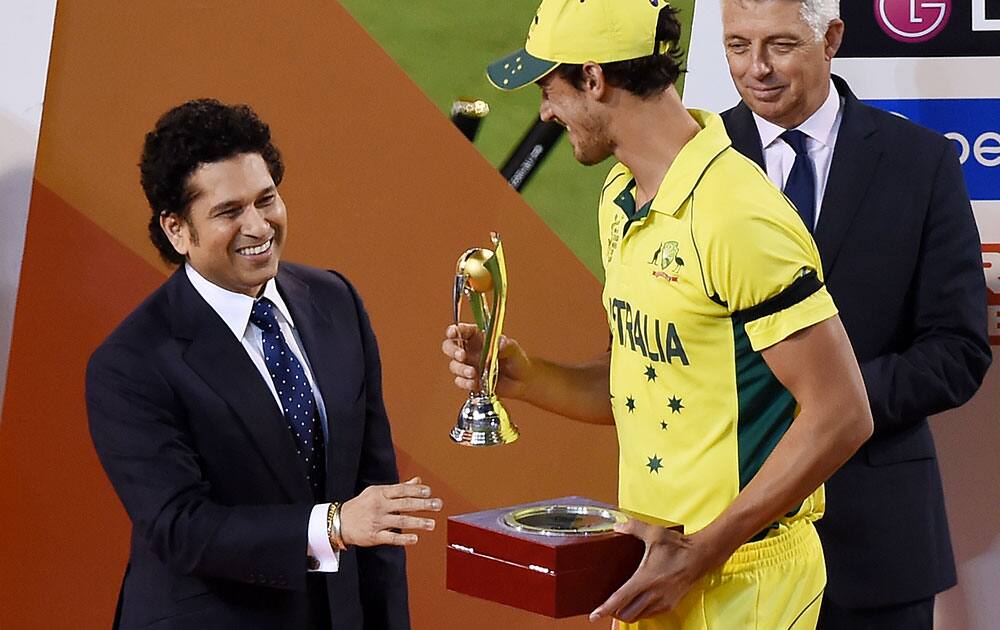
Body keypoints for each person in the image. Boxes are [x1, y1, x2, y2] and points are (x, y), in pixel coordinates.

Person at [443, 1, 872, 628]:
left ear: (593, 79)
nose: (544, 112)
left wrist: (701, 553)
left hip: (744, 581)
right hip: (657, 571)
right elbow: (640, 378)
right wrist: (525, 377)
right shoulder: (621, 201)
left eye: (548, 87)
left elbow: (841, 415)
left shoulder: (735, 216)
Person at [86, 99, 441, 629]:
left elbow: (377, 501)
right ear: (177, 229)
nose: (259, 225)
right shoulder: (131, 363)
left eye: (266, 199)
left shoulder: (336, 300)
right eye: (229, 212)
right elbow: (182, 528)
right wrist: (335, 525)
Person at [718, 1, 992, 627]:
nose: (756, 68)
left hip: (876, 542)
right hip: (721, 537)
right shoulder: (693, 161)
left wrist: (831, 400)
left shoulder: (920, 163)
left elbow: (957, 349)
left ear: (832, 38)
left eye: (780, 45)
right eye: (738, 46)